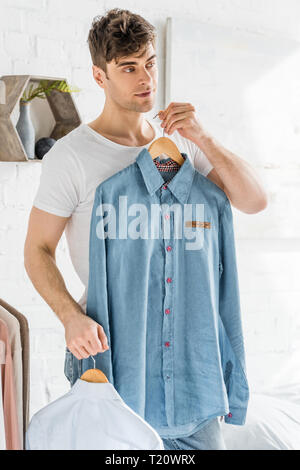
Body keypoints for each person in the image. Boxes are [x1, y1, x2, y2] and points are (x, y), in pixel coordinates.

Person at [24, 8, 268, 450]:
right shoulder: (73, 157)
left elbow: (254, 200)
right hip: (116, 356)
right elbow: (38, 249)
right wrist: (69, 316)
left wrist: (203, 137)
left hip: (192, 362)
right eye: (129, 68)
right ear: (100, 76)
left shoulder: (183, 147)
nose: (145, 78)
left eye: (150, 63)